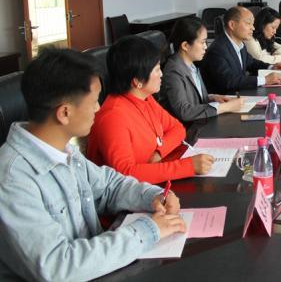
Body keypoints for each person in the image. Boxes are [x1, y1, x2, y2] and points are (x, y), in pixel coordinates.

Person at [0, 48, 187, 281]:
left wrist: (152, 196)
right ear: (64, 113)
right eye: (94, 101)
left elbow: (109, 186)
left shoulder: (64, 150)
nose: (98, 109)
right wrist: (149, 230)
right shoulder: (12, 179)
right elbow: (57, 267)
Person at [88, 36, 215, 184]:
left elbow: (177, 128)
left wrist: (159, 153)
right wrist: (187, 167)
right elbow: (125, 174)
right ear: (137, 82)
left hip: (151, 183)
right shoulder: (113, 117)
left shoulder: (145, 98)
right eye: (157, 70)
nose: (161, 74)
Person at [160, 17, 245, 123]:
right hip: (189, 129)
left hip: (201, 122)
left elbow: (194, 98)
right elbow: (184, 111)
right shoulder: (174, 71)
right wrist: (226, 107)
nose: (205, 47)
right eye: (202, 42)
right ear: (185, 45)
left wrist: (212, 97)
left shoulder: (191, 64)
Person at [202, 6, 281, 93]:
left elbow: (252, 63)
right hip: (226, 98)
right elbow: (229, 81)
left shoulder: (240, 44)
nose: (253, 28)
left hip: (239, 94)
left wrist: (271, 66)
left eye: (252, 24)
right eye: (248, 23)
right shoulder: (218, 49)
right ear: (232, 25)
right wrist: (265, 80)